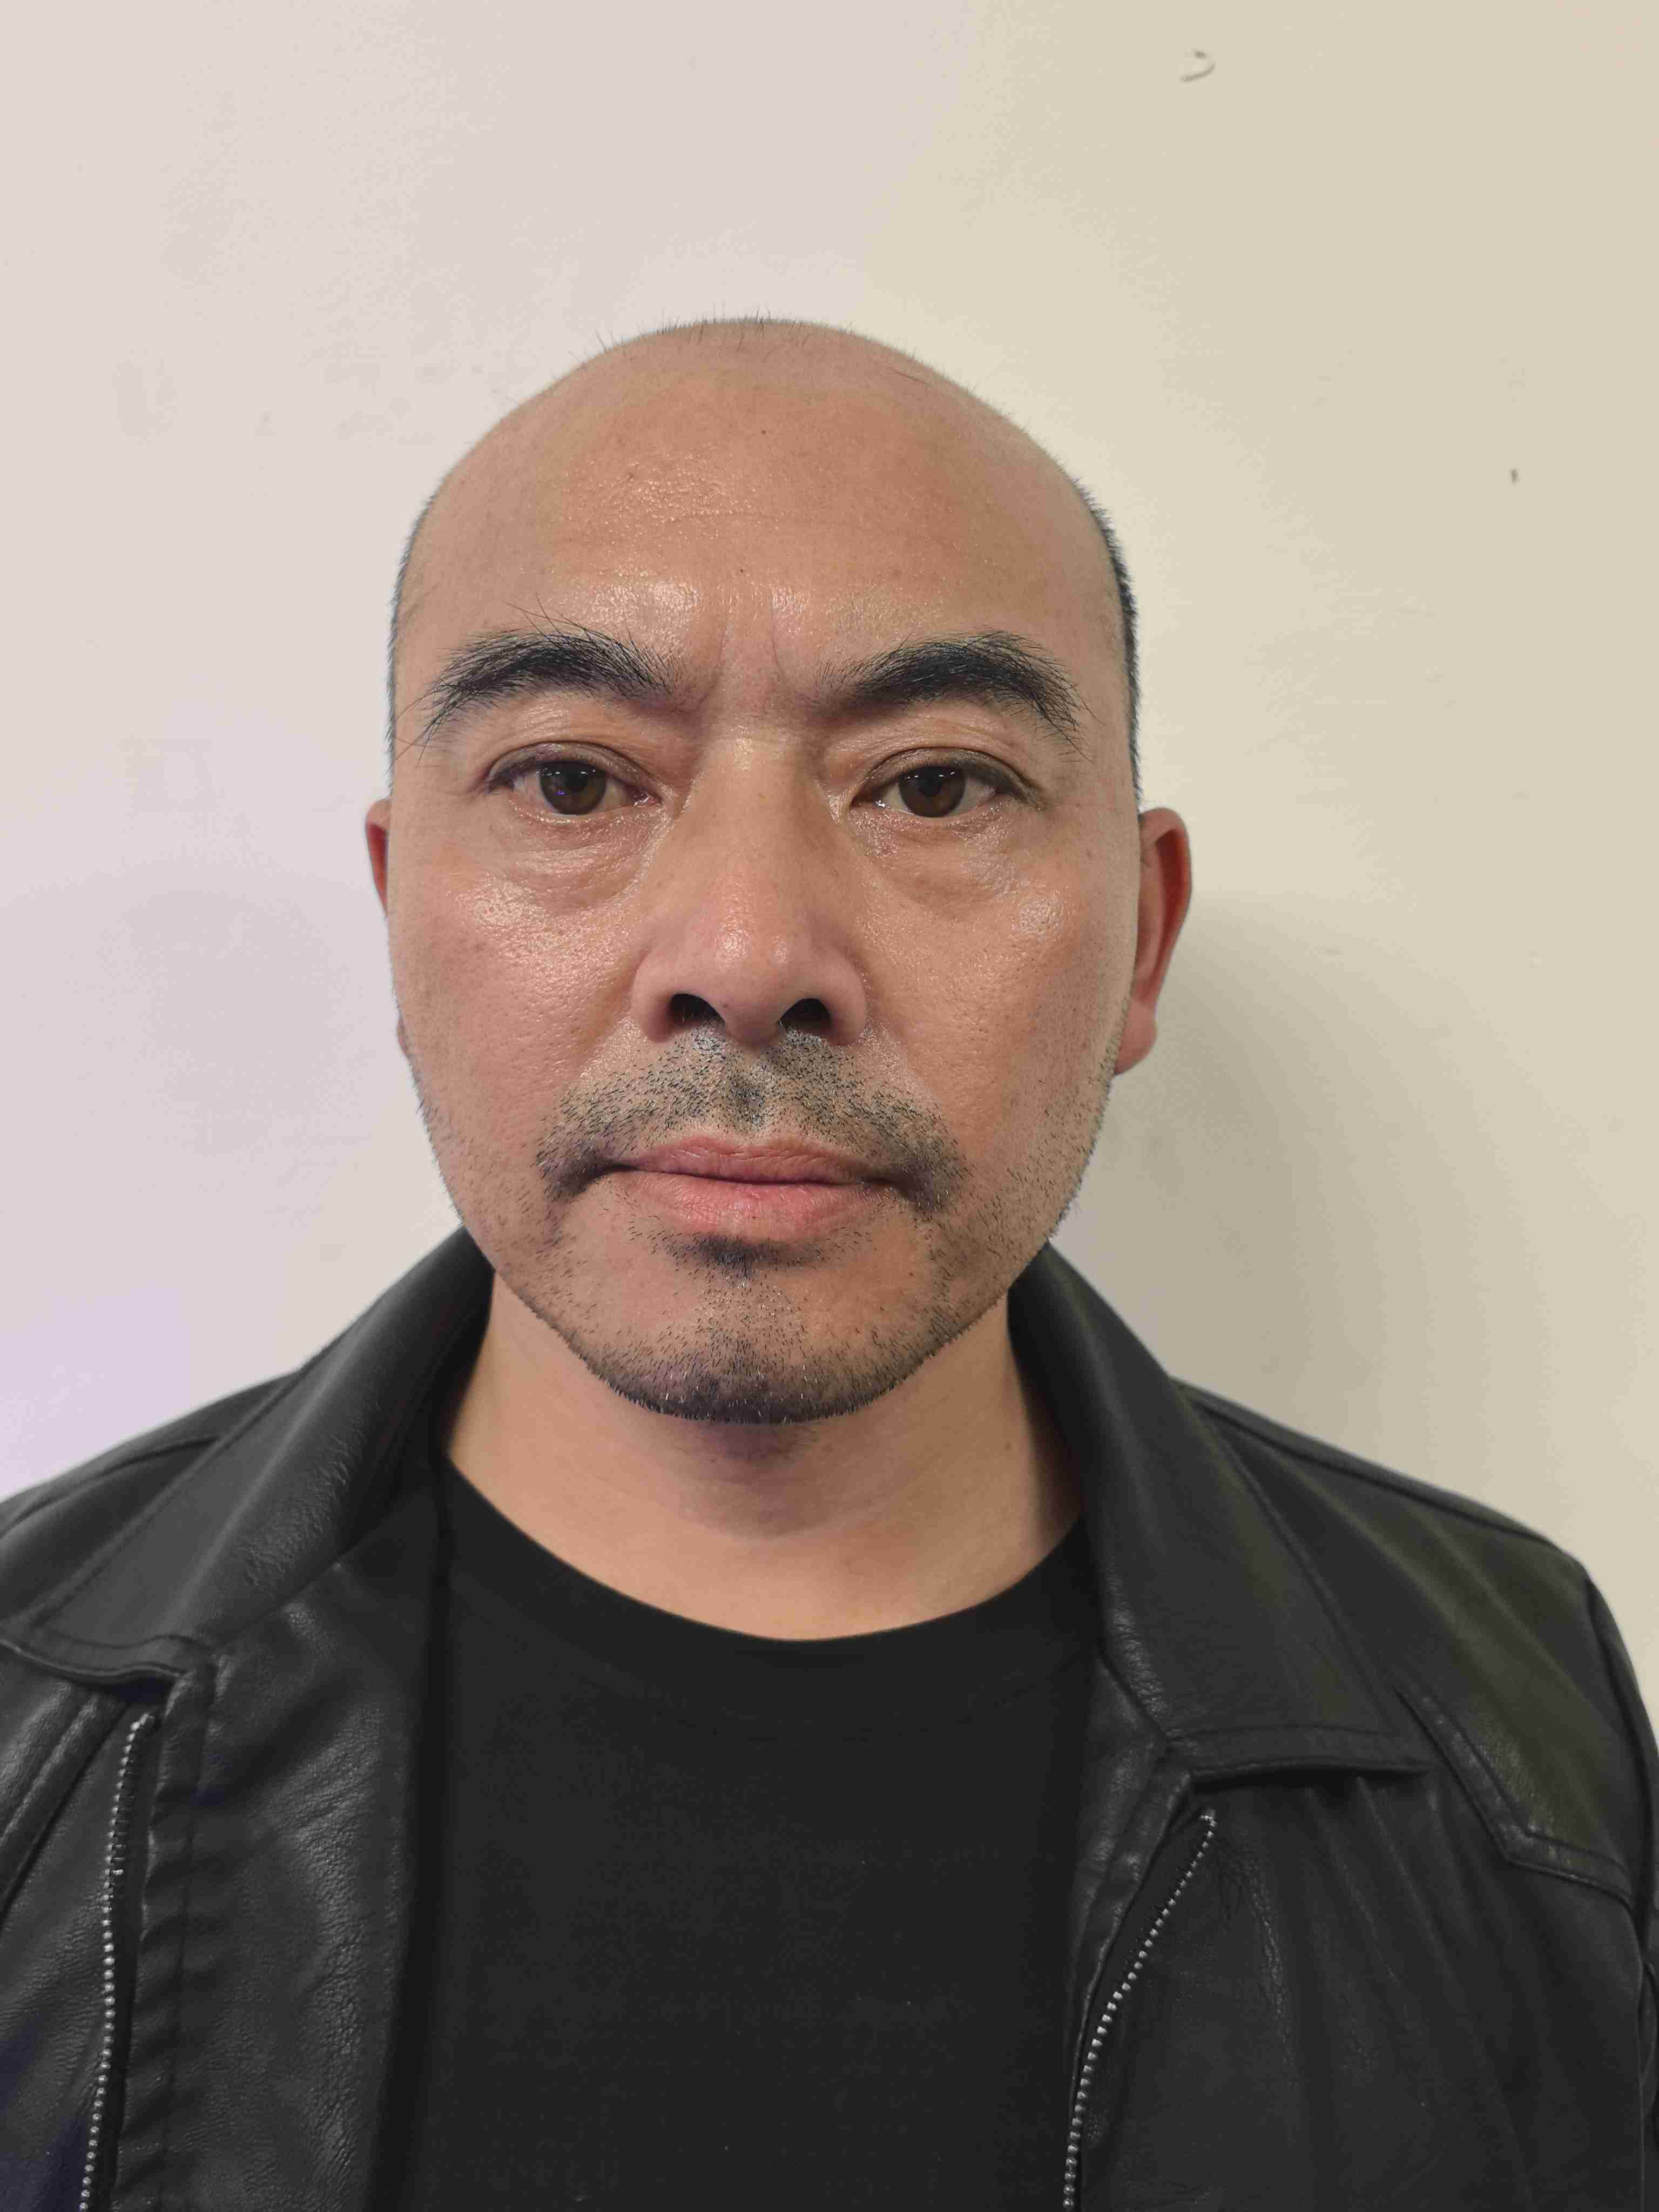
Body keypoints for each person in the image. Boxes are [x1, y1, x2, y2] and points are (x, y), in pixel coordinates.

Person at [1, 316, 1653, 2212]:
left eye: (936, 786)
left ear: (1140, 941)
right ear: (396, 917)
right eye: (572, 783)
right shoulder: (28, 1718)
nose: (747, 949)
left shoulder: (1517, 1739)